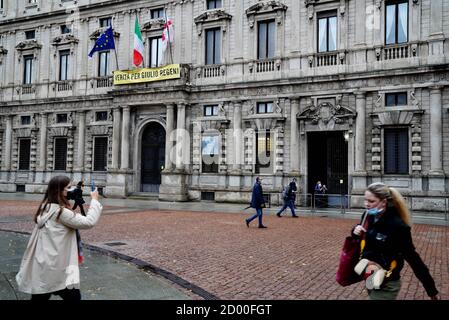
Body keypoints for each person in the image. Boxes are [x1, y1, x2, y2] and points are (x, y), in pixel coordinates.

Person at [16, 175, 103, 300]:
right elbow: (89, 222)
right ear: (59, 191)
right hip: (62, 266)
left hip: (45, 264)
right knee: (73, 296)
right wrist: (95, 200)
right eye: (68, 187)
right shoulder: (61, 212)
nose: (71, 190)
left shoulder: (46, 207)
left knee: (41, 294)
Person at [351, 182, 440, 300]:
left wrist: (431, 290)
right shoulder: (367, 216)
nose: (367, 204)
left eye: (371, 201)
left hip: (388, 282)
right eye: (365, 200)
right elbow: (364, 239)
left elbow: (413, 259)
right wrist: (355, 231)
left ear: (384, 202)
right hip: (370, 277)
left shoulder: (398, 226)